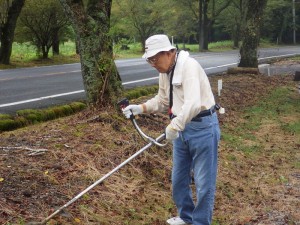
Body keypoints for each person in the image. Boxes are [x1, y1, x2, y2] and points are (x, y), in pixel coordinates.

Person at [122, 34, 221, 225]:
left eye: (155, 58)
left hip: (202, 128)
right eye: (149, 60)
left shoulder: (189, 67)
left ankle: (200, 222)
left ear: (169, 52)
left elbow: (192, 104)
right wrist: (140, 108)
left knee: (203, 183)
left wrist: (175, 125)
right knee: (178, 180)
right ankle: (186, 217)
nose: (152, 63)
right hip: (181, 129)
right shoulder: (164, 71)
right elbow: (162, 101)